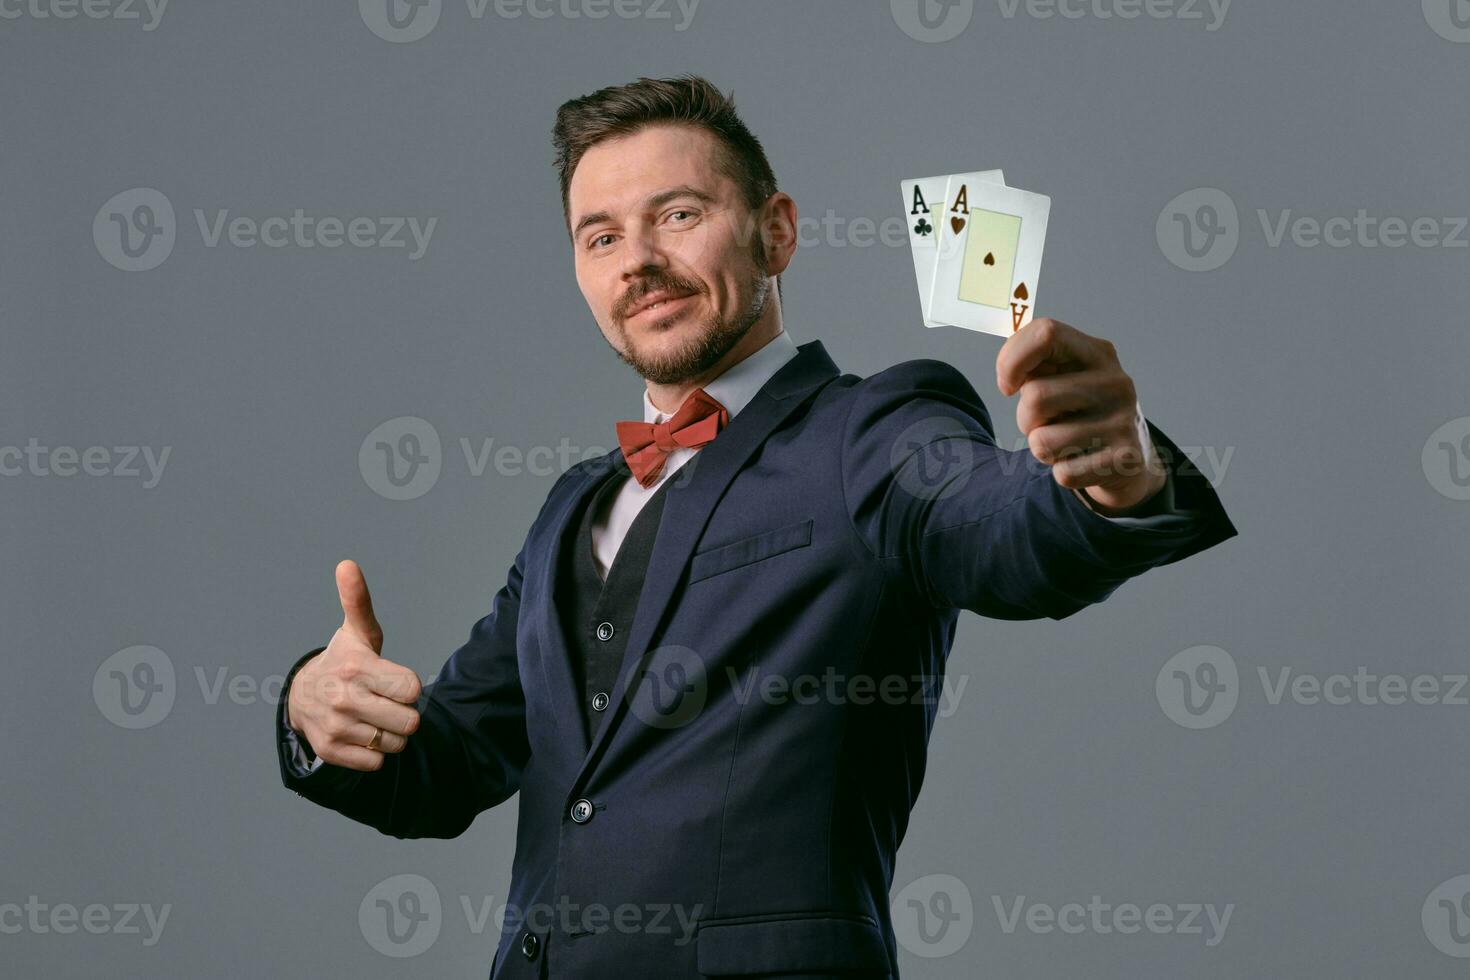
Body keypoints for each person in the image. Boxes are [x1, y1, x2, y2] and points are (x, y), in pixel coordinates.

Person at [275, 73, 1237, 979]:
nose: (639, 260)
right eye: (599, 236)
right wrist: (318, 714)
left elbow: (1001, 527)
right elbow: (446, 767)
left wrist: (1107, 471)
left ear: (775, 233)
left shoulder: (876, 431)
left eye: (679, 215)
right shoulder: (570, 507)